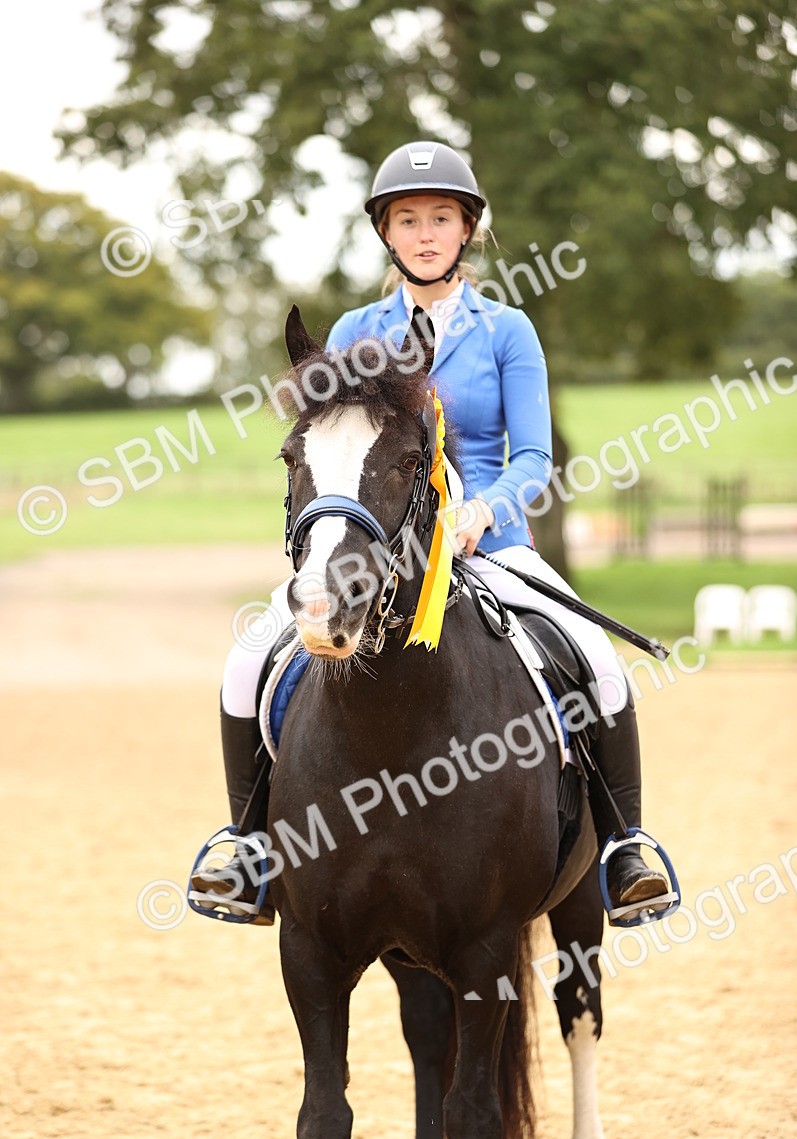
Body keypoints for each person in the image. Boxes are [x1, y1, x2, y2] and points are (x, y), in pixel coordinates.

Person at [191, 140, 670, 924]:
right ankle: (246, 846)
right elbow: (336, 444)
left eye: (440, 218)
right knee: (248, 659)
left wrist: (483, 509)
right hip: (377, 549)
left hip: (492, 541)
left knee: (597, 662)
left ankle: (625, 851)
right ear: (386, 232)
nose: (424, 233)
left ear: (468, 229)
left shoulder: (508, 330)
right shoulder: (354, 326)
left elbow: (537, 455)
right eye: (407, 219)